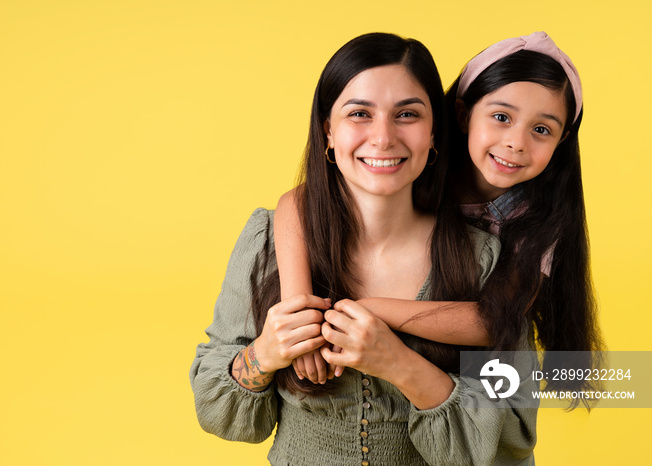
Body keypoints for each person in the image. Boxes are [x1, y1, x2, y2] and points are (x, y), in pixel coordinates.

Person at [191, 33, 538, 466]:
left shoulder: (486, 259)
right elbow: (217, 412)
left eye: (407, 114)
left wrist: (399, 364)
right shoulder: (270, 239)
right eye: (359, 113)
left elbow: (514, 437)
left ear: (433, 134)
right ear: (328, 131)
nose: (383, 137)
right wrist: (265, 353)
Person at [277, 32, 603, 400]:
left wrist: (369, 309)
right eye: (501, 117)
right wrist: (297, 313)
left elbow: (495, 321)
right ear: (463, 115)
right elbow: (301, 200)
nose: (517, 142)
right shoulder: (414, 161)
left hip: (472, 381)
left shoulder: (541, 218)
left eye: (541, 129)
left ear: (561, 141)